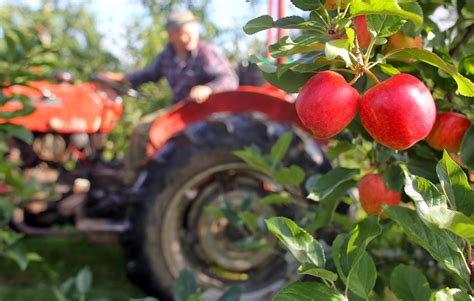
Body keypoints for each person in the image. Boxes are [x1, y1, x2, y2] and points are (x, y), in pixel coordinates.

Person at [99, 10, 239, 183]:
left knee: (142, 131)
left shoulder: (205, 53)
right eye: (185, 34)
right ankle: (142, 176)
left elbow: (229, 79)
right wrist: (118, 78)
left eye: (194, 33)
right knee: (142, 131)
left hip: (201, 111)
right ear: (172, 35)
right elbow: (146, 75)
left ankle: (130, 182)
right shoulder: (167, 55)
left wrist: (208, 89)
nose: (191, 38)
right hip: (180, 109)